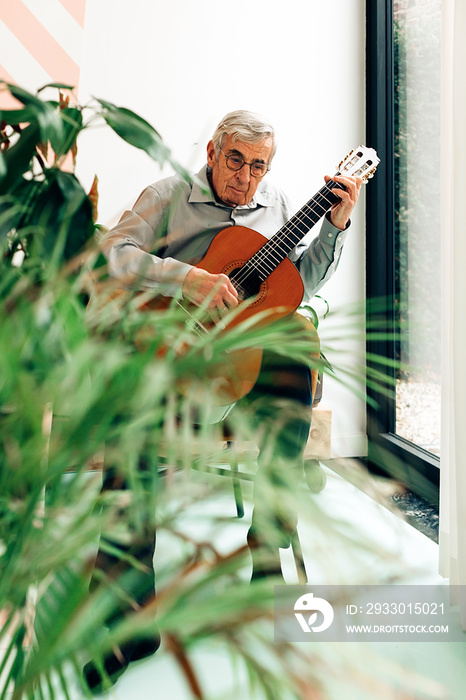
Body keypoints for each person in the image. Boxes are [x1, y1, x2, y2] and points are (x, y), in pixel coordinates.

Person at [85, 110, 361, 690]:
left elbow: (294, 287)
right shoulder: (168, 195)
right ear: (212, 151)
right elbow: (111, 255)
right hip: (167, 353)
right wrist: (187, 278)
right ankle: (126, 621)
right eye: (236, 160)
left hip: (241, 360)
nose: (246, 177)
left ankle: (266, 545)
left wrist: (334, 228)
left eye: (259, 166)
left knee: (294, 345)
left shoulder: (280, 205)